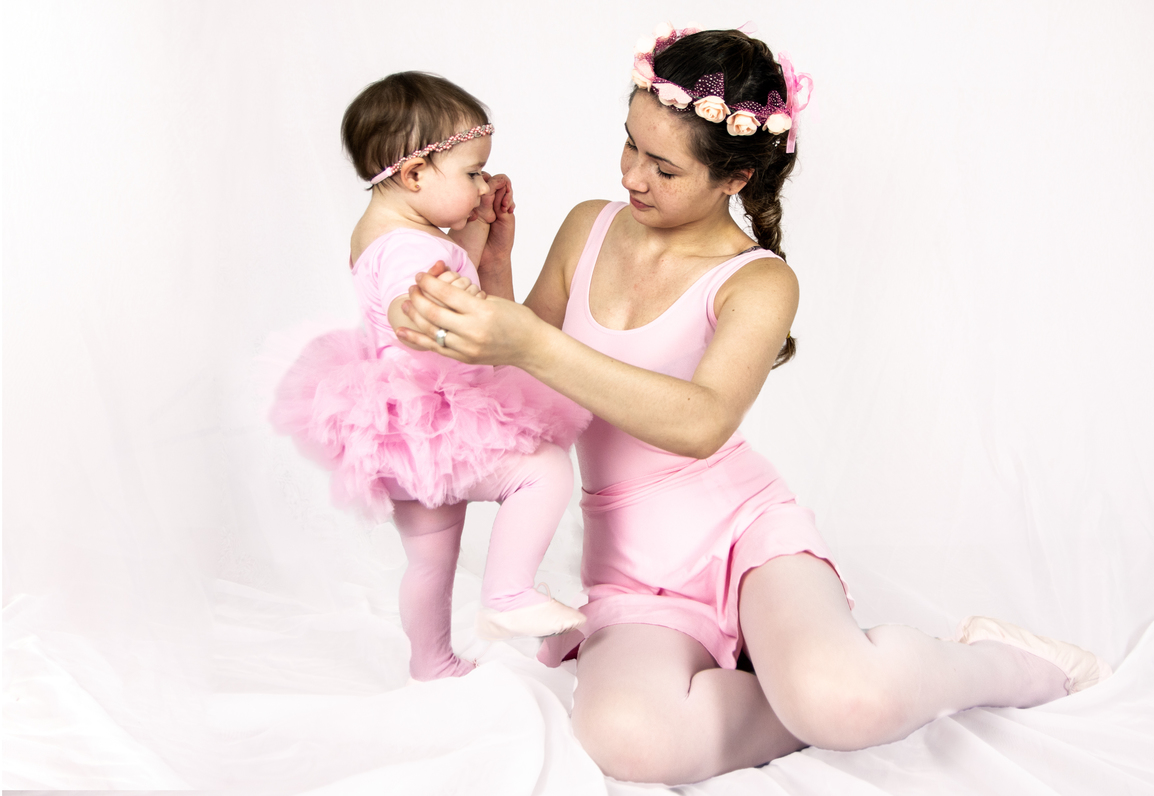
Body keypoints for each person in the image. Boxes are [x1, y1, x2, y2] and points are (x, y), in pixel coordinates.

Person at [394, 28, 1112, 784]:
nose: (632, 175)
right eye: (629, 145)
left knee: (844, 702)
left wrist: (531, 345)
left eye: (663, 166)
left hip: (746, 538)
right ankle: (810, 685)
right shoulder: (588, 226)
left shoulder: (758, 282)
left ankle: (992, 664)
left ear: (733, 178)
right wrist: (493, 267)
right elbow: (531, 392)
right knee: (628, 743)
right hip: (632, 574)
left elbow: (702, 421)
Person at [270, 72, 591, 683]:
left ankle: (432, 662)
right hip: (438, 419)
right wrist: (412, 315)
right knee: (544, 471)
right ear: (415, 175)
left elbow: (457, 266)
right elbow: (406, 298)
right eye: (472, 172)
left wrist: (483, 235)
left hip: (397, 429)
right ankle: (507, 594)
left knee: (428, 559)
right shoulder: (412, 255)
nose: (481, 184)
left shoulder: (395, 234)